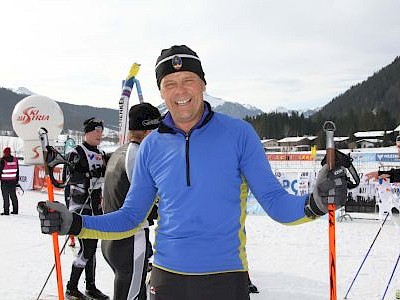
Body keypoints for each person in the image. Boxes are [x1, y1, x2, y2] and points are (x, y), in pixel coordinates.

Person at [38, 45, 348, 300]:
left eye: (188, 80)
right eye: (170, 84)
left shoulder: (239, 134)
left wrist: (316, 202)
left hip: (225, 279)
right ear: (161, 91)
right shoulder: (151, 146)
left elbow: (275, 202)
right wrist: (75, 222)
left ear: (203, 84)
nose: (180, 91)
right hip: (166, 279)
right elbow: (131, 217)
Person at [101, 103, 160, 300]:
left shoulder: (121, 151)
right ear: (149, 130)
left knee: (136, 292)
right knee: (131, 295)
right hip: (130, 238)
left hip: (112, 238)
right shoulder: (137, 154)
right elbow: (150, 199)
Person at [63, 117, 109, 300]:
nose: (100, 134)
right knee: (87, 248)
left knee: (92, 247)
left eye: (101, 131)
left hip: (96, 207)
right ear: (87, 133)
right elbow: (68, 180)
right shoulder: (76, 152)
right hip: (80, 207)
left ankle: (90, 286)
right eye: (96, 131)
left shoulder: (101, 153)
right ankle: (71, 287)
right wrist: (88, 176)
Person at [0, 147, 19, 215]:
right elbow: (17, 171)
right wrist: (16, 181)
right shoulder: (15, 160)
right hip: (13, 181)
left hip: (4, 182)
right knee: (13, 196)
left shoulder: (2, 160)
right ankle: (15, 210)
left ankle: (6, 211)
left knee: (5, 197)